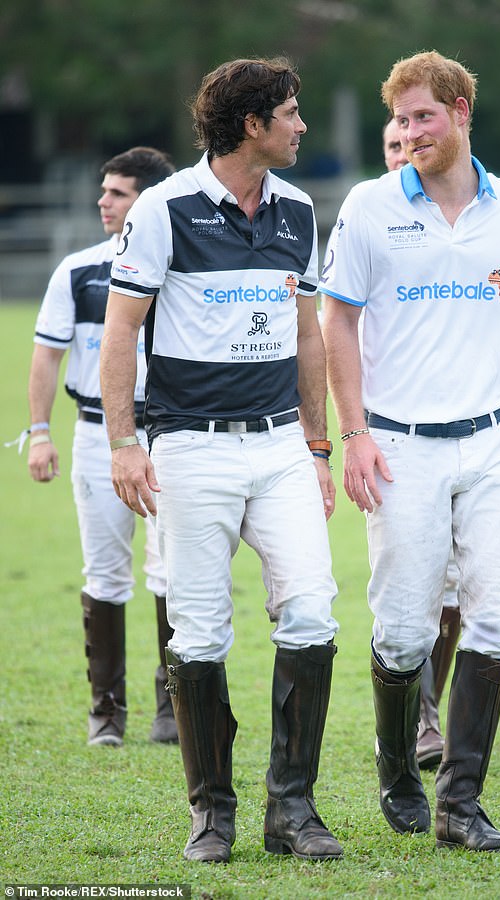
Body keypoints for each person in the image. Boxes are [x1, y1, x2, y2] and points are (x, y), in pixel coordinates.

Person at [321, 50, 500, 851]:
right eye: (401, 120)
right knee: (405, 633)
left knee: (498, 618)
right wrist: (354, 434)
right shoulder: (370, 207)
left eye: (423, 118)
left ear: (461, 112)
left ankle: (460, 803)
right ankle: (397, 767)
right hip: (399, 448)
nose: (409, 134)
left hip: (494, 442)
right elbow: (335, 321)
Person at [99, 58, 342, 865]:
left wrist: (317, 446)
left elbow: (308, 334)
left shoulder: (301, 210)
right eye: (292, 113)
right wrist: (126, 444)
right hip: (190, 450)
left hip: (279, 446)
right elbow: (121, 332)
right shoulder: (165, 210)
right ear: (252, 125)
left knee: (311, 610)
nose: (301, 125)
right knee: (199, 634)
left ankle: (293, 810)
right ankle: (212, 813)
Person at [27, 146, 177, 748]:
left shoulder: (178, 268)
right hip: (96, 435)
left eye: (117, 192)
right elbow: (46, 353)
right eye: (104, 190)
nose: (103, 201)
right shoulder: (78, 270)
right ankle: (106, 711)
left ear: (148, 201)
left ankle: (172, 705)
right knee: (105, 571)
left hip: (169, 433)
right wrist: (40, 430)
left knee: (172, 569)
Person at [382, 116, 462, 770]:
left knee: (457, 587)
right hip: (393, 437)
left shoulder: (464, 222)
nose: (404, 148)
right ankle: (415, 721)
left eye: (411, 133)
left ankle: (430, 714)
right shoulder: (367, 224)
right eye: (390, 142)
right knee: (409, 587)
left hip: (473, 433)